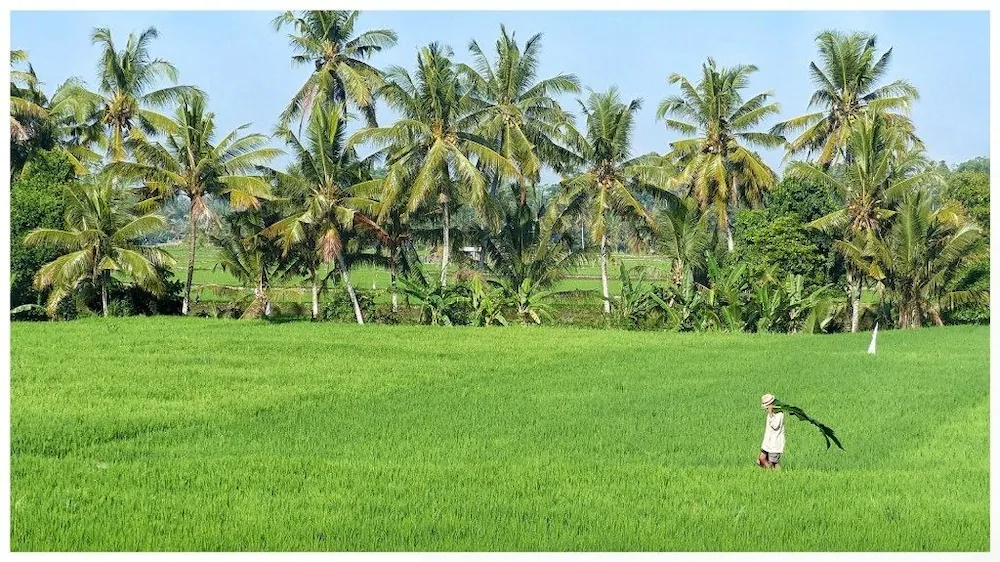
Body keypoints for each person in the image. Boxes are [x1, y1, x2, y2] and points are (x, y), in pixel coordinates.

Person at [757, 393, 784, 470]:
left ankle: (773, 474)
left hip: (775, 442)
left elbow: (775, 426)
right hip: (767, 443)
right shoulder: (771, 414)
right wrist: (770, 414)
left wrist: (771, 413)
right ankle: (769, 472)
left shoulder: (779, 414)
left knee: (774, 462)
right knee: (760, 459)